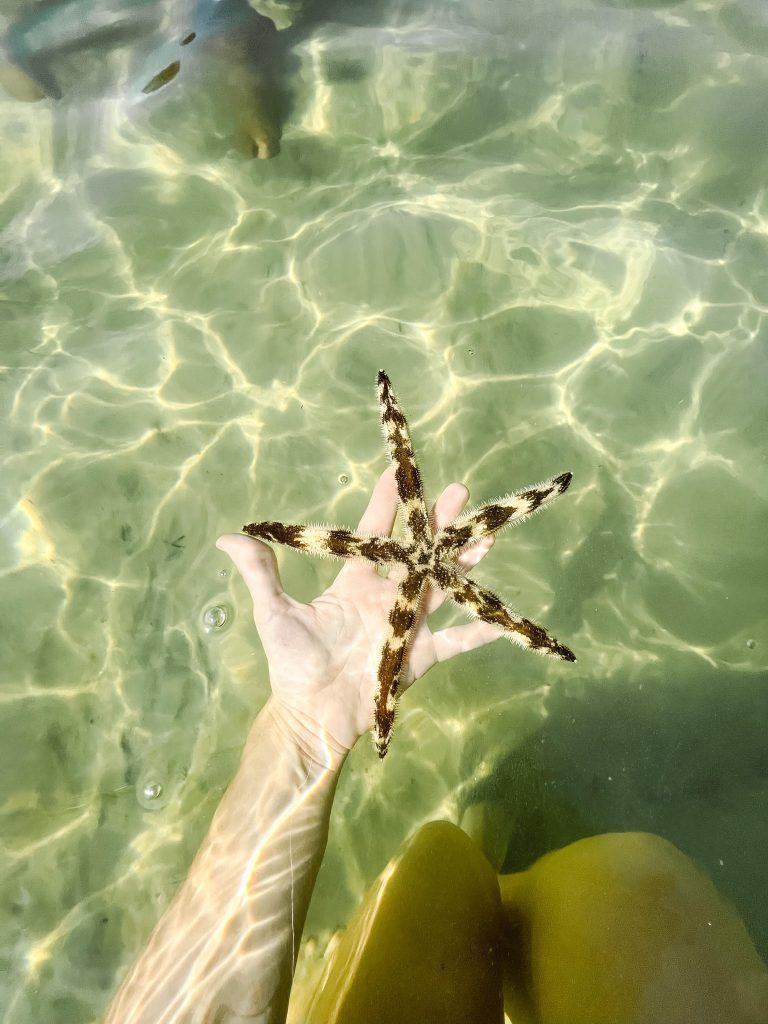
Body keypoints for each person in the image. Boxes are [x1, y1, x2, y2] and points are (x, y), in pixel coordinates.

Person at [104, 469, 768, 1024]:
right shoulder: (428, 566)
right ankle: (483, 860)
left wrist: (304, 730)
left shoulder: (419, 563)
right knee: (633, 889)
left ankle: (473, 848)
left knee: (440, 870)